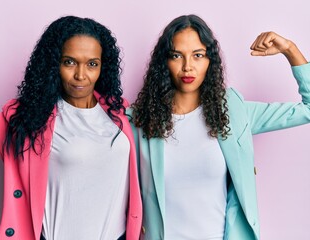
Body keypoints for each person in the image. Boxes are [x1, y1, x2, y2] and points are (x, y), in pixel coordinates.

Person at [0, 16, 142, 240]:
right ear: (54, 64)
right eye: (69, 62)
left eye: (92, 64)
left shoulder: (119, 114)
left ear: (102, 66)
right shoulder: (26, 122)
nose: (81, 75)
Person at [130, 14, 310, 240]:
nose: (188, 67)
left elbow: (308, 109)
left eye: (198, 55)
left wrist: (290, 49)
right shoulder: (139, 120)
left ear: (210, 61)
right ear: (164, 62)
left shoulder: (234, 112)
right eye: (177, 55)